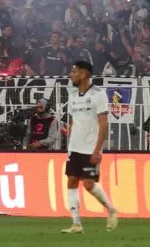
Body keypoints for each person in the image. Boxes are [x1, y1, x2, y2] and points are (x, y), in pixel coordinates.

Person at [62, 60, 117, 234]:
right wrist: (69, 129)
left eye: (74, 72)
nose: (71, 75)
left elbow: (104, 125)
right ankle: (76, 223)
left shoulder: (98, 94)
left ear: (84, 74)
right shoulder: (72, 95)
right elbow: (73, 119)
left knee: (88, 184)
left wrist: (98, 150)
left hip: (90, 148)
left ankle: (111, 209)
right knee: (71, 180)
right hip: (75, 147)